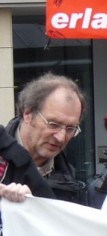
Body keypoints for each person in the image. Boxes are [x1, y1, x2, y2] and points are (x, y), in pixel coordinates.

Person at [6, 73, 87, 205]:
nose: (61, 137)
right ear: (28, 114)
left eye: (71, 128)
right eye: (53, 124)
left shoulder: (71, 182)